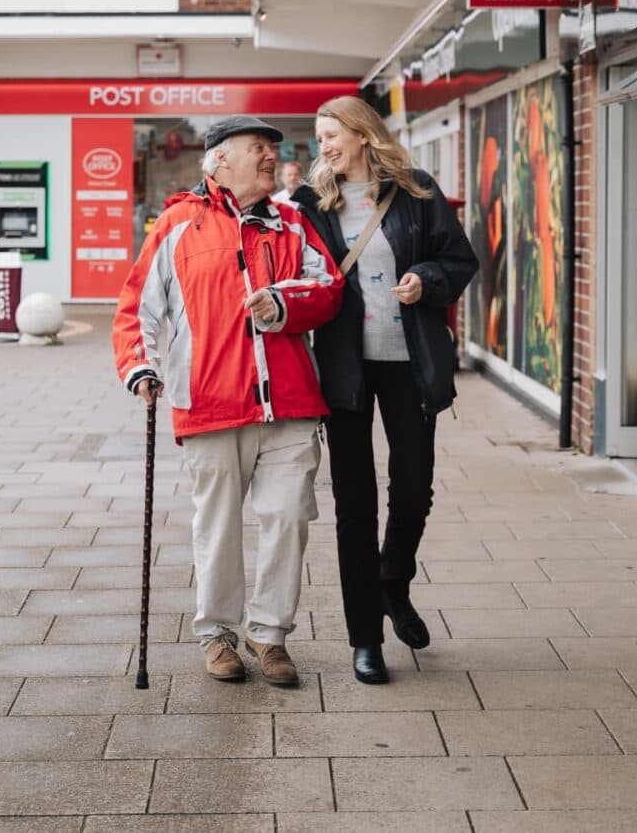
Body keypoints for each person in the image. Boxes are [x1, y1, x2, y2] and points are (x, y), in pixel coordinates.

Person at [113, 115, 343, 686]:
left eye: (273, 147)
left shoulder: (292, 223)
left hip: (289, 403)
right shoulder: (176, 225)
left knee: (287, 518)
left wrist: (284, 304)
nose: (271, 156)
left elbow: (329, 287)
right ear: (218, 160)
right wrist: (140, 366)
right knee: (217, 526)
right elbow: (136, 310)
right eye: (258, 148)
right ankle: (216, 634)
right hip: (210, 403)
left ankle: (269, 636)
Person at [291, 96, 478, 685]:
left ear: (363, 134)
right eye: (319, 136)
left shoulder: (417, 191)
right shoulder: (309, 205)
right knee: (354, 503)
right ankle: (365, 638)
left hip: (408, 362)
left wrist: (425, 279)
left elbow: (460, 259)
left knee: (414, 487)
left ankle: (393, 580)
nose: (323, 145)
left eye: (331, 134)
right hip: (345, 367)